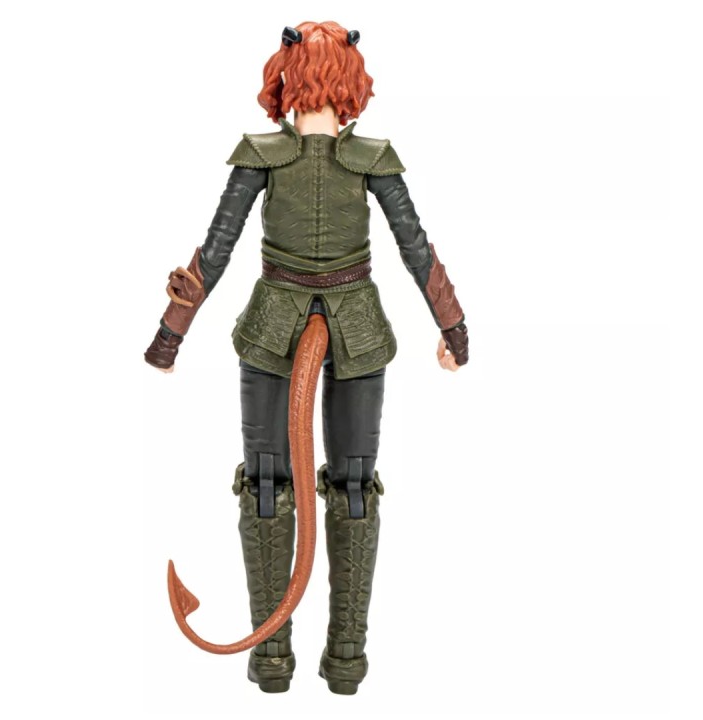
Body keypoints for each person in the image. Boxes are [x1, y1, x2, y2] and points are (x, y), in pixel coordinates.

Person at [144, 20, 469, 695]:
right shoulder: (370, 159)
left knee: (270, 483)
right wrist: (454, 330)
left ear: (284, 75)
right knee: (352, 487)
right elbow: (418, 250)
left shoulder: (264, 156)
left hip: (275, 324)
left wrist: (170, 336)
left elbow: (213, 250)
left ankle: (275, 660)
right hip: (355, 325)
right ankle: (343, 661)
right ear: (352, 80)